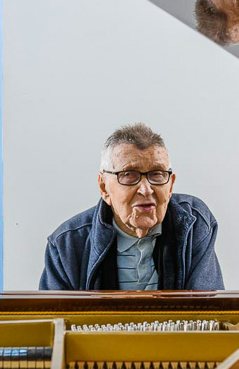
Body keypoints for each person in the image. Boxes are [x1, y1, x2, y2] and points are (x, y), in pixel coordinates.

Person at [39, 123, 223, 291]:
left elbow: (206, 310)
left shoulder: (194, 223)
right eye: (129, 175)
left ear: (170, 186)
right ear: (104, 187)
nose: (146, 189)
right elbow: (55, 315)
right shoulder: (66, 245)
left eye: (157, 174)